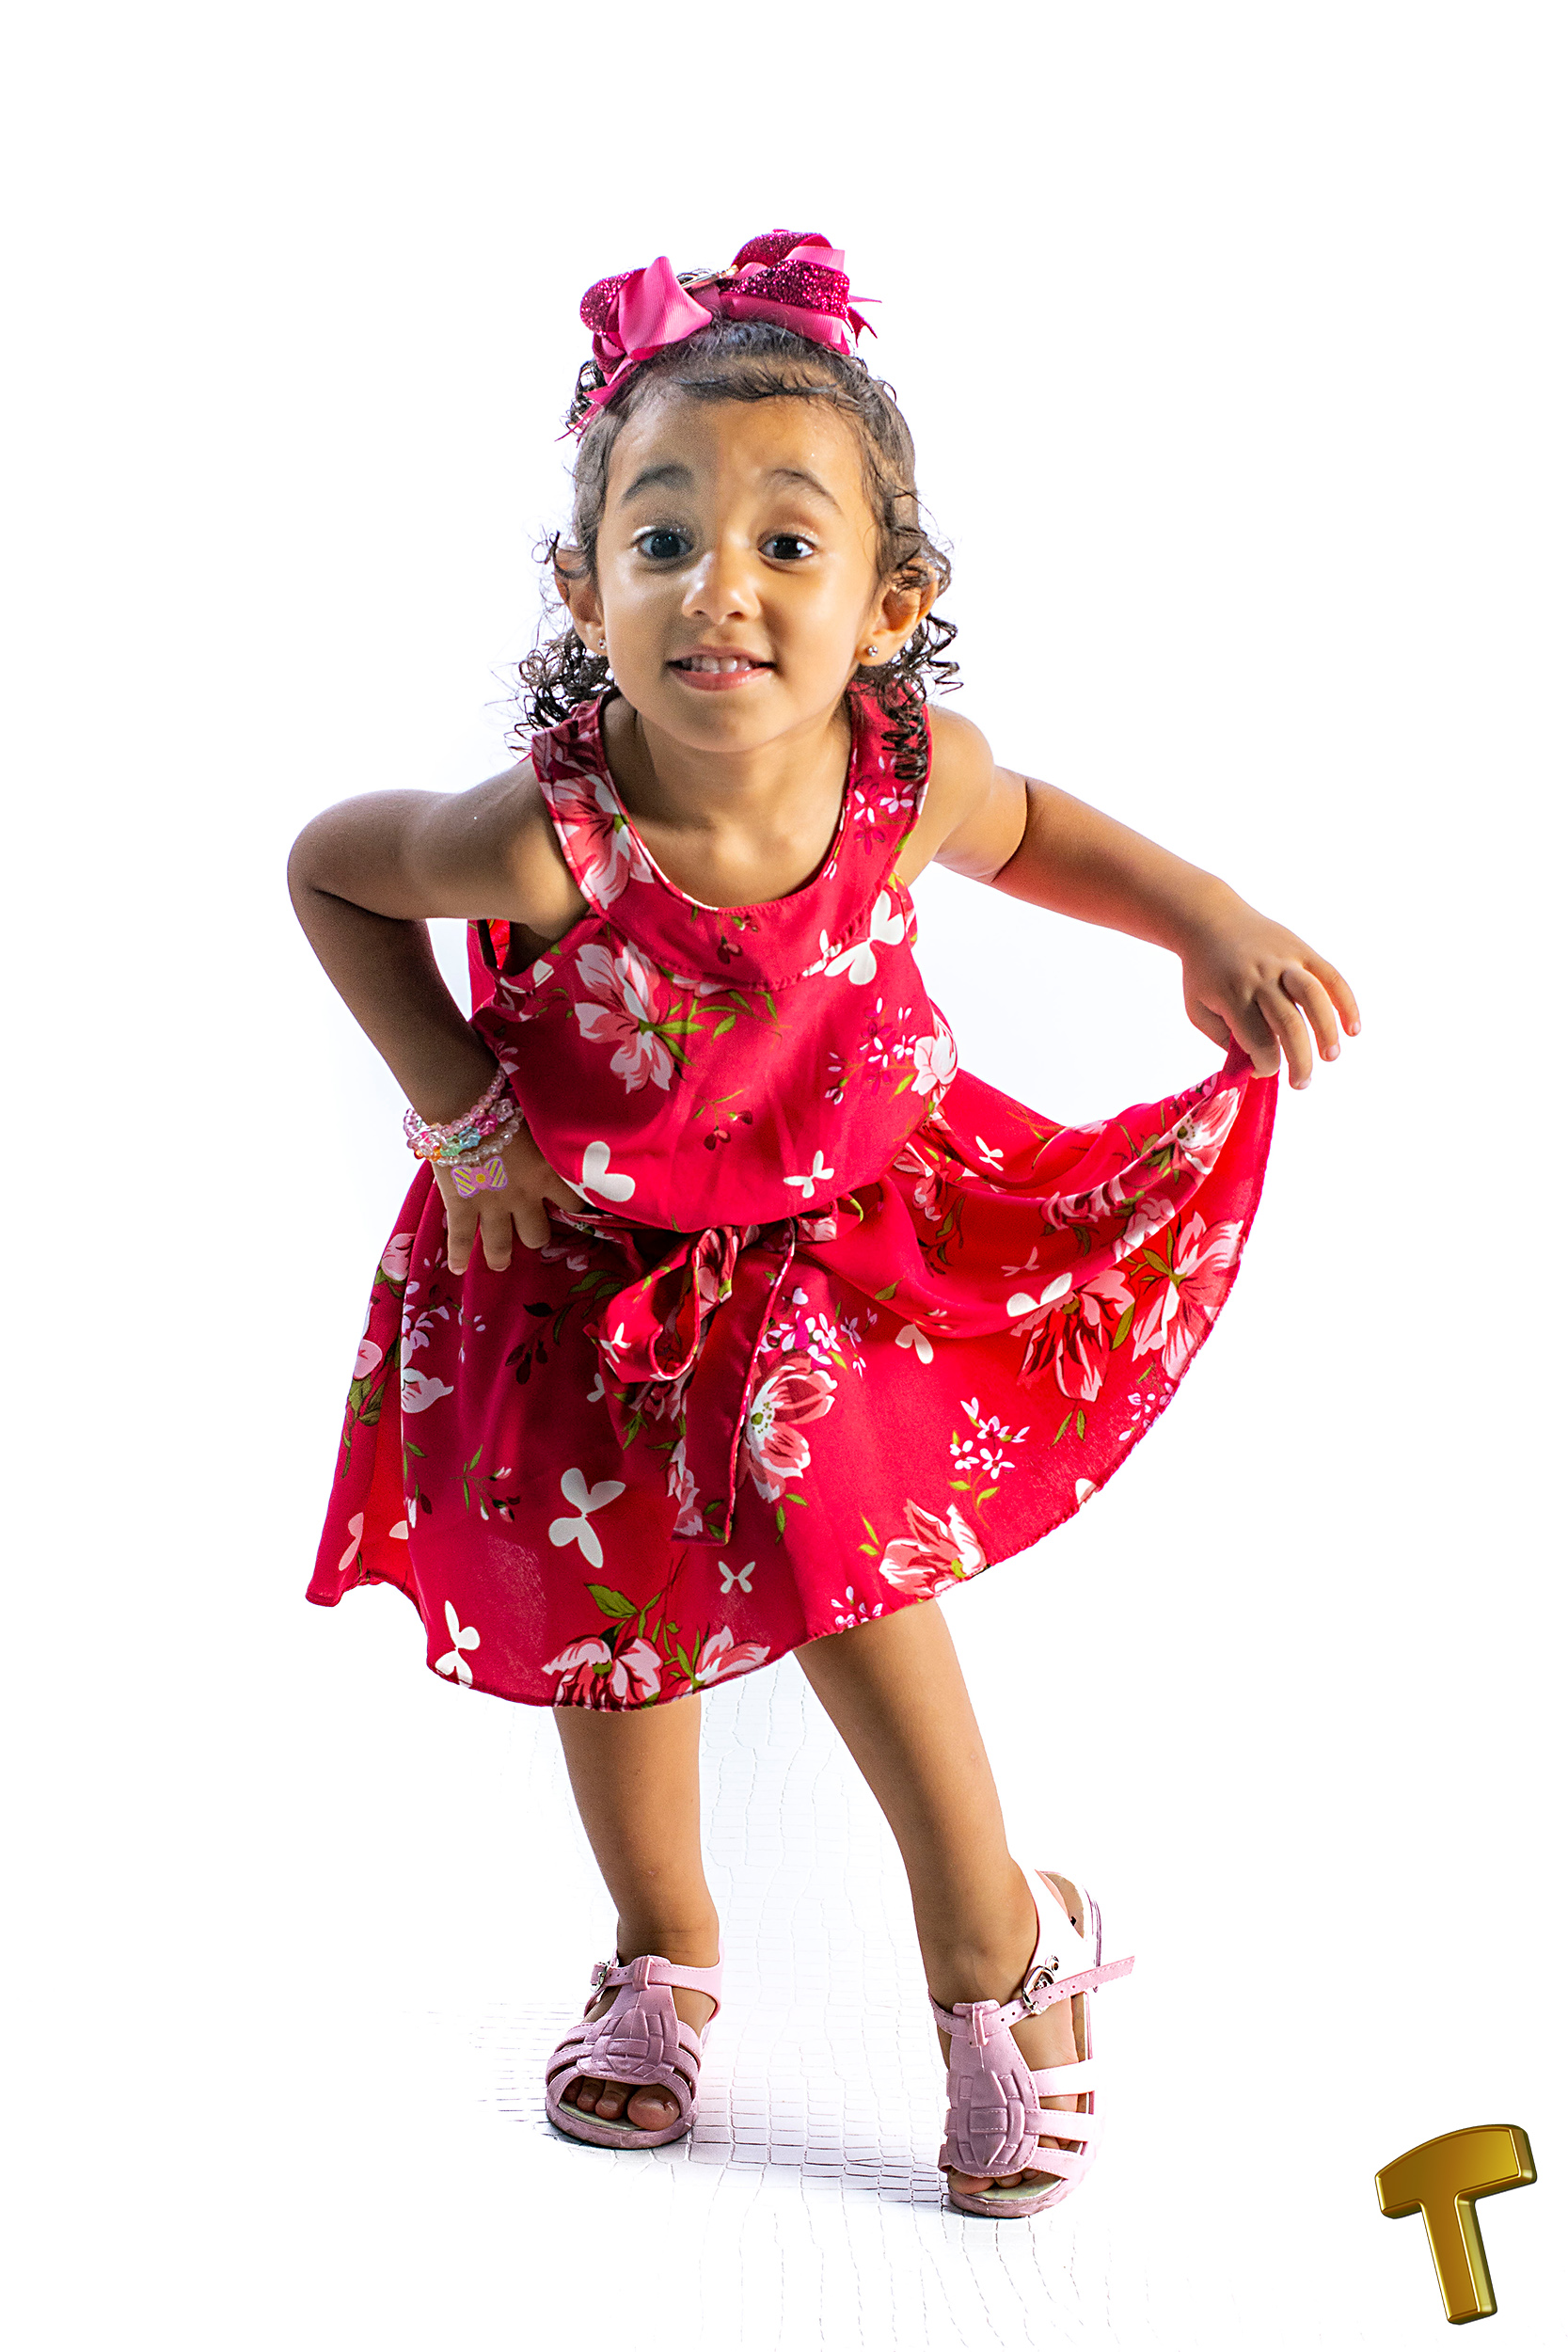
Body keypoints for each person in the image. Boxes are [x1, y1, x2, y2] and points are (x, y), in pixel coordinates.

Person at [288, 230, 1358, 2218]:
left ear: (891, 603)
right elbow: (331, 874)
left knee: (845, 1541)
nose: (722, 585)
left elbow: (1035, 828)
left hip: (829, 1236)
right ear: (584, 587)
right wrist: (466, 1111)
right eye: (663, 537)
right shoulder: (545, 833)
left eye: (789, 543)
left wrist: (1207, 921)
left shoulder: (901, 778)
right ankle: (663, 1950)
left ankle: (998, 1938)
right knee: (610, 1622)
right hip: (585, 1266)